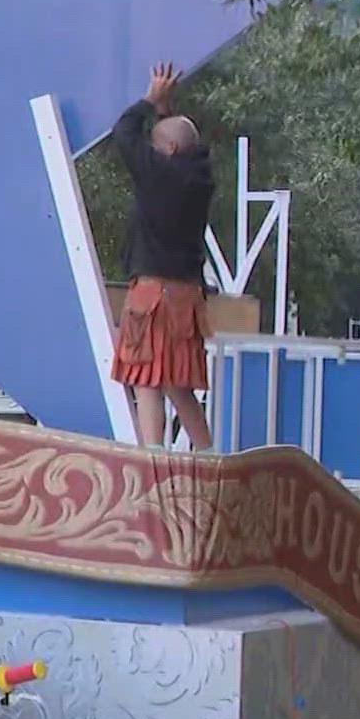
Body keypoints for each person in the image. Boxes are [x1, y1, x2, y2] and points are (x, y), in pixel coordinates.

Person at [110, 62, 217, 452]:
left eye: (155, 146)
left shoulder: (159, 176)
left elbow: (123, 133)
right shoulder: (201, 178)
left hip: (153, 293)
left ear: (168, 150)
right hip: (187, 297)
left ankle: (151, 455)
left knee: (145, 378)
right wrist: (165, 114)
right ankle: (206, 453)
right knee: (177, 382)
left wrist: (150, 100)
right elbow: (180, 142)